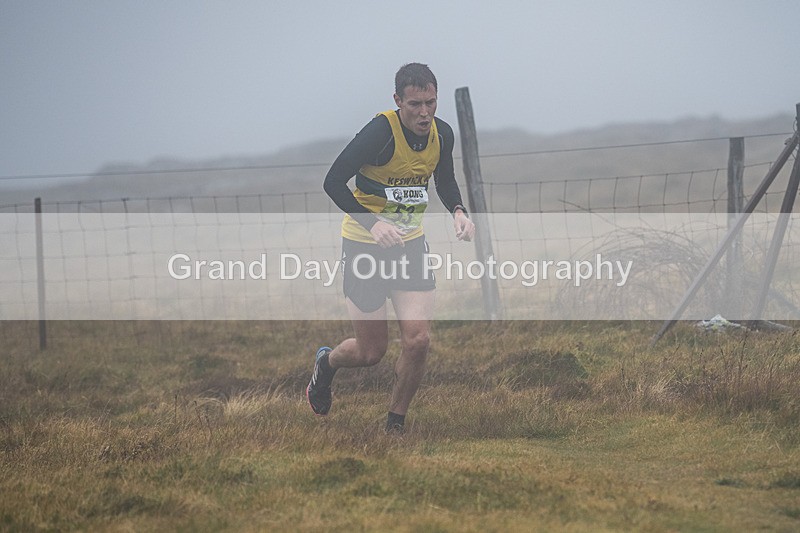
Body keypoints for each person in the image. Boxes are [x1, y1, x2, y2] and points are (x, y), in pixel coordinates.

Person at [306, 62, 475, 433]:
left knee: (418, 340)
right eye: (414, 104)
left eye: (430, 102)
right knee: (371, 353)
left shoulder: (442, 134)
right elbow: (332, 181)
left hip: (410, 248)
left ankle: (395, 424)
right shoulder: (379, 132)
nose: (424, 112)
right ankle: (327, 363)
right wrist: (374, 222)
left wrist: (458, 211)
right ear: (398, 100)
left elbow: (444, 180)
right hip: (364, 246)